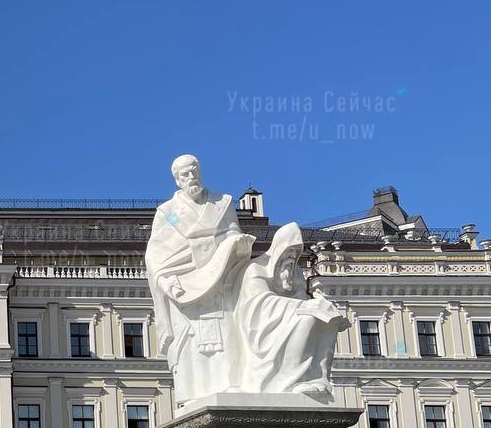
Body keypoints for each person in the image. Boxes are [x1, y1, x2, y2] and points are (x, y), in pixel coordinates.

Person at [145, 155, 255, 404]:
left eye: (194, 171)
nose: (191, 177)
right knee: (191, 344)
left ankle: (229, 387)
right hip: (184, 287)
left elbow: (232, 233)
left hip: (219, 283)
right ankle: (195, 397)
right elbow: (158, 252)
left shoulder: (223, 203)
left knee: (226, 337)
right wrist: (164, 279)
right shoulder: (169, 213)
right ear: (177, 179)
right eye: (185, 174)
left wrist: (235, 244)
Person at [235, 222, 348, 395]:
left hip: (286, 318)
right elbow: (259, 304)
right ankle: (291, 379)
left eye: (295, 253)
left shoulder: (295, 273)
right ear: (278, 250)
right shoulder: (256, 268)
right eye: (288, 251)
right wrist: (304, 305)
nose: (292, 257)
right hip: (261, 328)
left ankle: (317, 379)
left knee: (326, 320)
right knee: (307, 319)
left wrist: (318, 304)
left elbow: (301, 297)